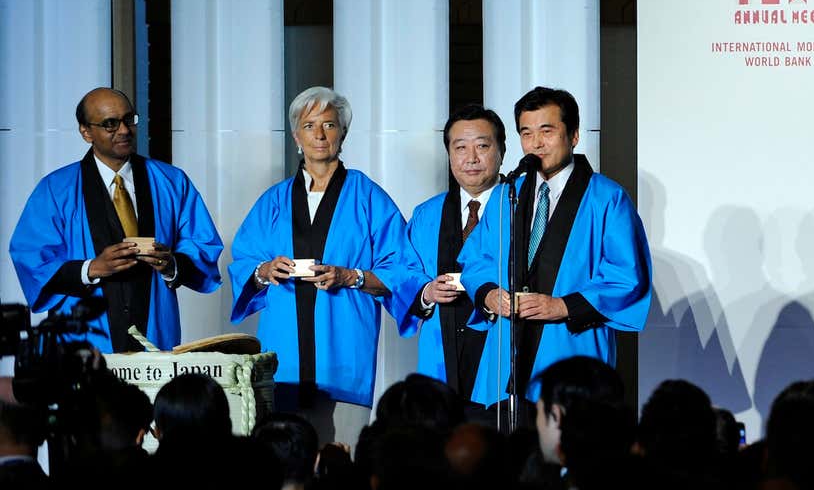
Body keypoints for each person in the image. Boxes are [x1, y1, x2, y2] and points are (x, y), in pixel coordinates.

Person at [228, 86, 426, 443]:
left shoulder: (369, 198)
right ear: (296, 136)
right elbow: (243, 262)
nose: (319, 135)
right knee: (281, 467)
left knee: (340, 467)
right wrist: (263, 271)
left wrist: (351, 276)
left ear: (343, 133)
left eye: (330, 125)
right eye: (309, 125)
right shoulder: (273, 201)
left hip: (345, 357)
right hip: (282, 361)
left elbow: (403, 272)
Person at [459, 87, 652, 412]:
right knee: (503, 451)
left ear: (574, 135)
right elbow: (477, 260)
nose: (536, 143)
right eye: (526, 133)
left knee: (572, 444)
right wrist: (489, 294)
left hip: (570, 344)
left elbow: (627, 277)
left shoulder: (607, 198)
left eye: (547, 131)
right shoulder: (508, 194)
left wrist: (563, 306)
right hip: (506, 349)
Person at [10, 87, 223, 352]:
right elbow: (31, 256)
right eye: (110, 124)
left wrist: (171, 264)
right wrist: (91, 269)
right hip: (84, 341)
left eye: (128, 119)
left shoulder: (172, 181)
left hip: (155, 331)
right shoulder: (55, 189)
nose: (124, 130)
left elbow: (203, 244)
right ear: (86, 132)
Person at [405, 104, 510, 403]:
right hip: (441, 347)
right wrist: (426, 291)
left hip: (500, 346)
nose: (471, 158)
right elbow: (403, 273)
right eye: (460, 147)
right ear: (449, 154)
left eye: (483, 146)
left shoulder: (521, 209)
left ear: (502, 150)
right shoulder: (426, 214)